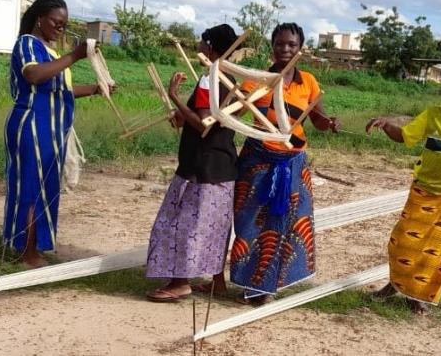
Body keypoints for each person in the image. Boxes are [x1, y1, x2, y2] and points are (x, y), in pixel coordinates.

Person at [229, 22, 340, 304]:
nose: (285, 49)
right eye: (280, 44)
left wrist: (329, 123)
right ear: (272, 46)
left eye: (291, 44)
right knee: (251, 223)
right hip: (258, 162)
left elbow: (317, 119)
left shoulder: (309, 83)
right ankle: (252, 285)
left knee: (288, 223)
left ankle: (270, 287)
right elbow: (236, 112)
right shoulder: (257, 79)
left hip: (293, 163)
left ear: (300, 48)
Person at [366, 66, 441, 314]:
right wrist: (385, 125)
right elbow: (404, 136)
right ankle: (394, 285)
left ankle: (417, 296)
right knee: (401, 242)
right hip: (422, 192)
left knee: (434, 250)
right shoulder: (433, 115)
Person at [3, 0, 110, 267]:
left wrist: (96, 89)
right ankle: (26, 252)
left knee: (45, 187)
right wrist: (74, 55)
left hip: (51, 128)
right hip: (32, 125)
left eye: (64, 24)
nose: (60, 28)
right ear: (39, 18)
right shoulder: (27, 44)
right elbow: (34, 75)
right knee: (29, 186)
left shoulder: (50, 53)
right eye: (56, 22)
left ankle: (35, 247)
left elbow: (61, 90)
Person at [145, 24, 239, 302]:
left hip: (201, 167)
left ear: (210, 47)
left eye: (201, 42)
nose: (198, 47)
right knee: (215, 226)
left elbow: (203, 124)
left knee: (182, 224)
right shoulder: (232, 79)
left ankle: (180, 282)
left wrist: (174, 96)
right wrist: (182, 114)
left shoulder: (209, 79)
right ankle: (217, 282)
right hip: (223, 166)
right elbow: (211, 120)